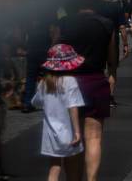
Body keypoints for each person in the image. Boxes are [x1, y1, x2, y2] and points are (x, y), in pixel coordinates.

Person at [59, 0, 117, 181]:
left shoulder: (64, 23)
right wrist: (112, 74)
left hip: (69, 81)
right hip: (95, 80)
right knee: (94, 137)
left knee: (72, 139)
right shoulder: (106, 24)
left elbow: (54, 53)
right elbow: (112, 59)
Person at [31, 44, 85, 181]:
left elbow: (35, 102)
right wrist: (78, 131)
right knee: (71, 168)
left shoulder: (44, 83)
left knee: (54, 167)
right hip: (68, 131)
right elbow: (73, 107)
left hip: (50, 134)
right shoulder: (70, 81)